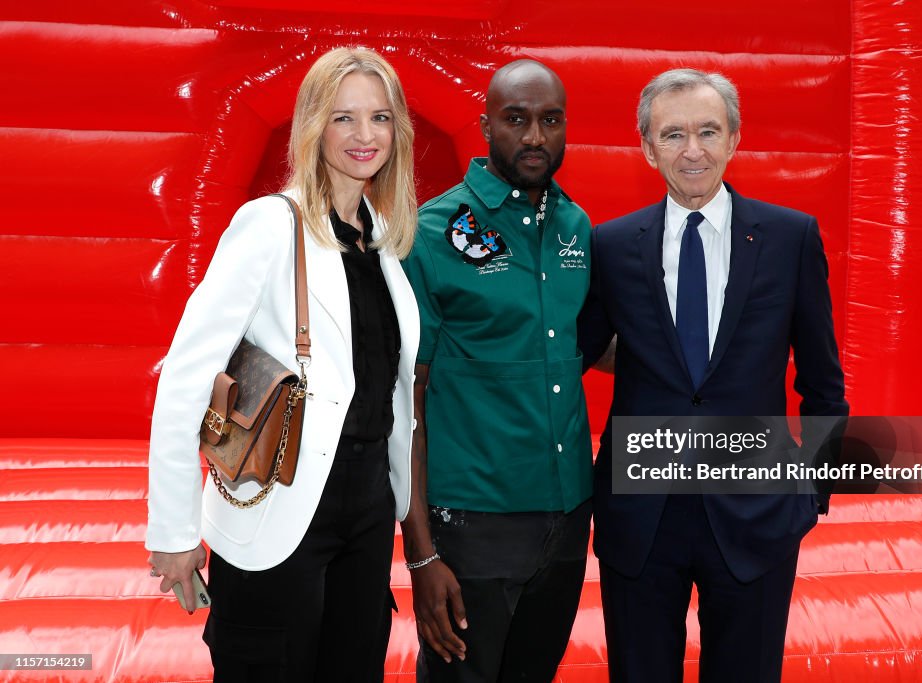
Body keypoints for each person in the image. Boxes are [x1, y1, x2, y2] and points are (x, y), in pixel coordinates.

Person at [145, 47, 420, 682]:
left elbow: (390, 388)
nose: (363, 136)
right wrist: (175, 530)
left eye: (379, 118)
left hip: (369, 510)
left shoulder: (382, 239)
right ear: (313, 125)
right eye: (343, 118)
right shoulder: (270, 225)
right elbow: (187, 377)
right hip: (280, 499)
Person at [578, 68, 848, 682]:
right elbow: (569, 355)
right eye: (673, 134)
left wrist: (812, 493)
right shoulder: (612, 246)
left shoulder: (790, 238)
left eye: (707, 131)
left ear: (733, 139)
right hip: (641, 519)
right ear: (648, 148)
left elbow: (823, 381)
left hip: (758, 513)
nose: (692, 150)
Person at [400, 59, 593, 683]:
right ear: (485, 125)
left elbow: (578, 343)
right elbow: (407, 402)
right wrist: (422, 555)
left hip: (566, 521)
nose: (534, 137)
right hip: (472, 525)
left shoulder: (576, 225)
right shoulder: (432, 232)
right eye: (516, 119)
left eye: (550, 120)